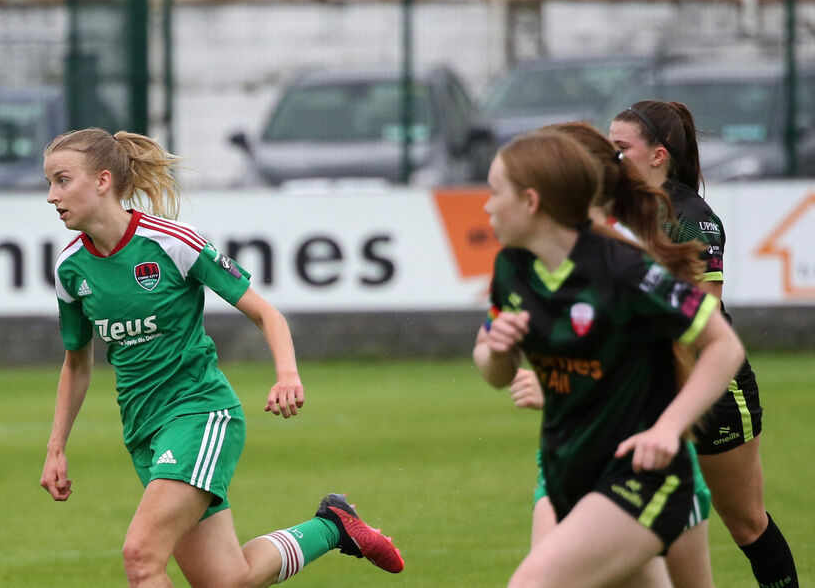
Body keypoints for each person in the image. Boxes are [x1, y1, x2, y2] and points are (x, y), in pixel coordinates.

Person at [38, 127, 403, 588]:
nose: (52, 196)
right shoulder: (70, 268)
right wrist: (56, 448)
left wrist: (286, 374)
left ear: (103, 180)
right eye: (49, 183)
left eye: (62, 180)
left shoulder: (171, 243)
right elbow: (76, 362)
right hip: (143, 432)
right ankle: (333, 525)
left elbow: (266, 313)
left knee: (140, 558)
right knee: (227, 579)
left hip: (199, 414)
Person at [473, 131, 746, 588]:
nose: (486, 206)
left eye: (494, 191)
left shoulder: (624, 269)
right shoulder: (511, 268)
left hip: (639, 478)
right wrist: (498, 351)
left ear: (531, 201)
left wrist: (667, 427)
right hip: (570, 473)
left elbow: (724, 346)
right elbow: (492, 371)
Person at [610, 101, 799, 588]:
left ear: (657, 155)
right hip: (643, 389)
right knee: (628, 523)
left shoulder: (693, 218)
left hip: (711, 391)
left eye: (619, 149)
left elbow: (702, 317)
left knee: (747, 524)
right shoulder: (618, 212)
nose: (609, 160)